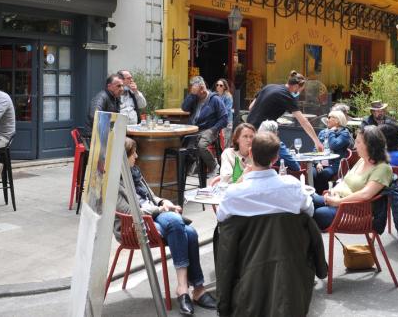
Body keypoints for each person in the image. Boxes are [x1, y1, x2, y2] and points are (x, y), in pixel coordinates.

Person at [115, 138, 216, 316]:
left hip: (152, 216)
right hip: (134, 225)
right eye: (133, 153)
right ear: (123, 157)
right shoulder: (113, 181)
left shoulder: (134, 173)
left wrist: (163, 201)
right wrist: (160, 209)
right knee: (177, 223)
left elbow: (150, 196)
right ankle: (187, 289)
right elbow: (129, 210)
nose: (137, 156)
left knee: (190, 232)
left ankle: (192, 289)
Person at [217, 131, 314, 222]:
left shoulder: (233, 193)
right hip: (286, 239)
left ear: (250, 153)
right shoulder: (293, 186)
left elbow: (221, 217)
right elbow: (310, 211)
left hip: (249, 240)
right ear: (276, 158)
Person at [311, 126, 393, 230]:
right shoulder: (362, 160)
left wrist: (337, 202)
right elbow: (345, 181)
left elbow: (365, 195)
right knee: (308, 200)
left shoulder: (383, 168)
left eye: (358, 142)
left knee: (318, 214)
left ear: (371, 145)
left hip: (356, 212)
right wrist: (332, 191)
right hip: (341, 201)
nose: (354, 146)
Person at [247, 70, 324, 152]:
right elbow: (303, 121)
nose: (300, 92)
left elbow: (251, 107)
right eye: (301, 90)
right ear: (296, 86)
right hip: (262, 132)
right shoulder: (286, 96)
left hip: (248, 127)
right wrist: (316, 141)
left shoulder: (269, 86)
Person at [181, 76, 228, 174]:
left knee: (201, 145)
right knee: (181, 144)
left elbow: (224, 118)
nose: (196, 95)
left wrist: (214, 129)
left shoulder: (215, 100)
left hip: (209, 129)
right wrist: (192, 95)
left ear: (202, 88)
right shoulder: (195, 98)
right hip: (193, 130)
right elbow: (184, 108)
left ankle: (214, 166)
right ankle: (191, 167)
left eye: (196, 92)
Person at [312, 110, 352, 194]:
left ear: (337, 120)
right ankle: (313, 195)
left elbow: (333, 145)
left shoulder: (344, 134)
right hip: (320, 163)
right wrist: (317, 163)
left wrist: (331, 132)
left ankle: (322, 196)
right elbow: (316, 149)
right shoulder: (323, 132)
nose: (327, 119)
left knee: (323, 174)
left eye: (330, 117)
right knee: (311, 173)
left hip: (334, 165)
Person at [83, 74, 124, 140]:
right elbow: (95, 116)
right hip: (94, 137)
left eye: (122, 86)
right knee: (130, 143)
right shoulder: (101, 97)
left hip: (106, 134)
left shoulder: (115, 98)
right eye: (118, 86)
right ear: (109, 86)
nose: (122, 89)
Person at [214, 78, 233, 147]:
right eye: (217, 85)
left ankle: (225, 156)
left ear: (225, 87)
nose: (218, 86)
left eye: (221, 85)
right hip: (217, 122)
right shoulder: (215, 96)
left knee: (226, 141)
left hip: (226, 122)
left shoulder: (228, 96)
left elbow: (227, 110)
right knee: (219, 141)